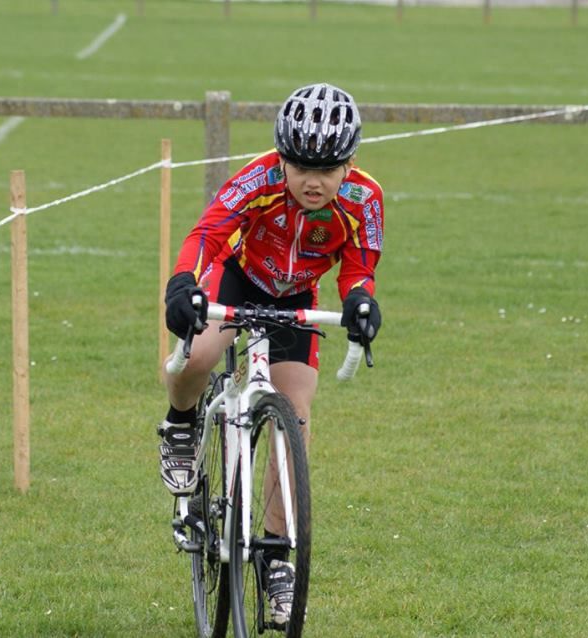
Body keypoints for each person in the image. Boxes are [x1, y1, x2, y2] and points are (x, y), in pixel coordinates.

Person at [157, 82, 384, 626]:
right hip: (239, 278)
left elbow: (359, 263)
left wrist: (360, 300)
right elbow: (208, 234)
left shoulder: (364, 199)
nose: (313, 180)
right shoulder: (256, 179)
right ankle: (181, 422)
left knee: (296, 413)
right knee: (197, 358)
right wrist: (182, 283)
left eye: (327, 169)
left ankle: (277, 554)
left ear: (348, 163)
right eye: (300, 166)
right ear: (281, 157)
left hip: (297, 297)